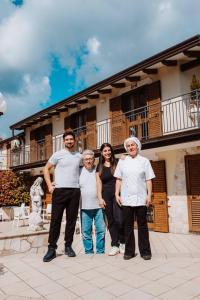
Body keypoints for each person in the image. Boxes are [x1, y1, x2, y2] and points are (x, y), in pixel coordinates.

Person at [43, 131, 82, 262]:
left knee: (71, 221)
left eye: (71, 139)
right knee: (55, 221)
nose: (69, 141)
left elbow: (89, 164)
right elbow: (45, 169)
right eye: (67, 139)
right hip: (59, 191)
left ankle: (68, 246)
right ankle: (51, 249)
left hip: (75, 191)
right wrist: (49, 185)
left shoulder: (79, 156)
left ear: (75, 141)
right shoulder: (58, 155)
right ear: (64, 141)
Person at [114, 137, 155, 260]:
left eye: (133, 145)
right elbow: (118, 179)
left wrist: (149, 195)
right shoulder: (122, 161)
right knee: (128, 226)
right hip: (126, 199)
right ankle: (129, 251)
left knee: (143, 226)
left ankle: (145, 251)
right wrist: (117, 194)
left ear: (137, 146)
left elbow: (148, 179)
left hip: (141, 198)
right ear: (126, 148)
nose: (131, 147)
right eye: (128, 146)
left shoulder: (144, 161)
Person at [96, 143, 125, 256]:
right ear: (102, 153)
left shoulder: (117, 162)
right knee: (111, 221)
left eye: (109, 150)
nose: (107, 152)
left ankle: (123, 242)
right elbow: (98, 183)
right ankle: (115, 245)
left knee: (120, 219)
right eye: (105, 151)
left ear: (111, 151)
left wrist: (124, 158)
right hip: (106, 195)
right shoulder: (99, 166)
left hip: (118, 194)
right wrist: (100, 198)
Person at [80, 149, 105, 254]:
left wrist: (122, 158)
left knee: (101, 231)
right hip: (84, 207)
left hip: (99, 206)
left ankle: (100, 252)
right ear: (83, 161)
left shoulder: (99, 169)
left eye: (90, 159)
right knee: (86, 232)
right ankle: (88, 252)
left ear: (94, 160)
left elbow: (111, 162)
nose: (88, 161)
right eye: (86, 159)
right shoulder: (79, 171)